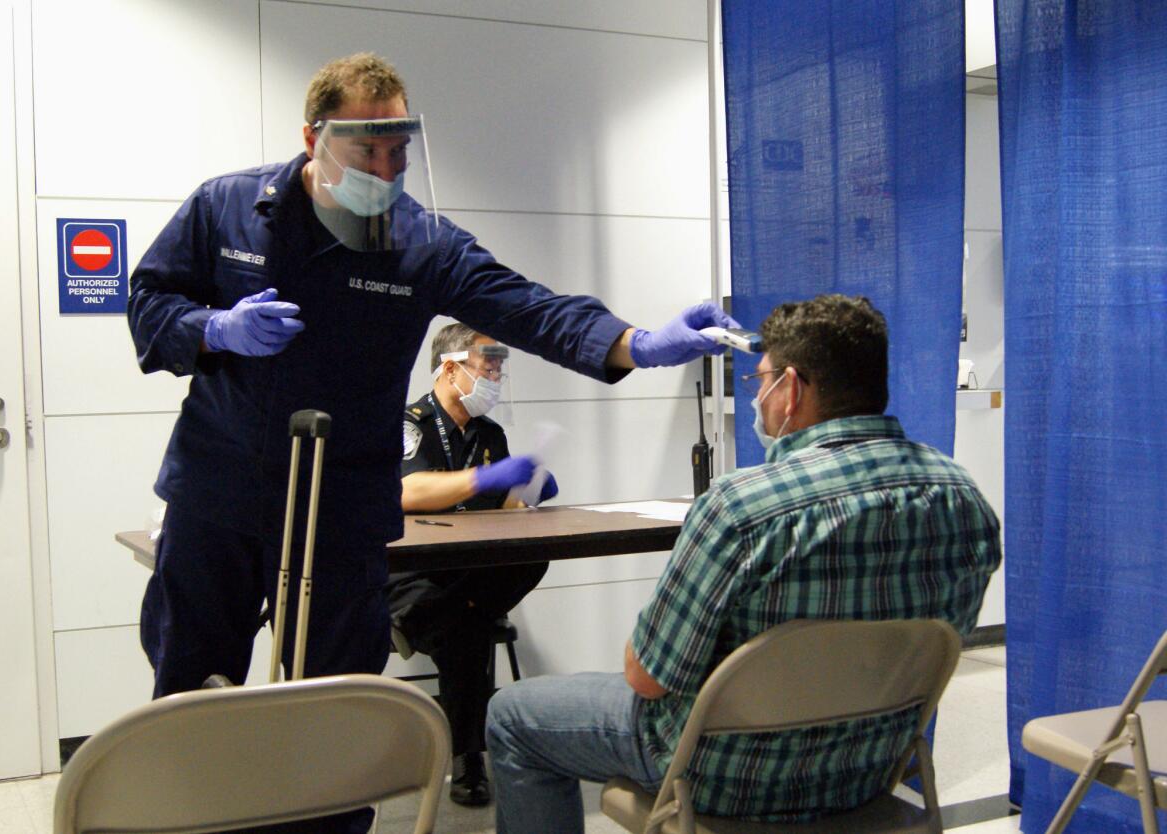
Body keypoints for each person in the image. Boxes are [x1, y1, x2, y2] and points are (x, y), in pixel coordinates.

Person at [128, 50, 731, 720]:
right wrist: (214, 329)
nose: (385, 175)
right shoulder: (229, 207)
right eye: (366, 156)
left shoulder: (419, 242)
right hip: (221, 490)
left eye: (399, 154)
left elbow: (527, 307)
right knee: (187, 691)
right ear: (312, 140)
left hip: (343, 506)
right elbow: (150, 302)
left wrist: (635, 343)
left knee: (336, 709)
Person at [485, 294, 1003, 833]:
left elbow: (646, 679)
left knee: (513, 714)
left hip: (724, 776)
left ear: (792, 388)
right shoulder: (963, 497)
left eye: (760, 382)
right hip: (866, 769)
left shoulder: (742, 507)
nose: (758, 397)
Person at [387, 322, 553, 807]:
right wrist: (485, 477)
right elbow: (406, 492)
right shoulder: (407, 422)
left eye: (501, 366)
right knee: (466, 627)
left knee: (530, 556)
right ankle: (469, 759)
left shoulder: (488, 433)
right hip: (412, 571)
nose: (497, 376)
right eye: (489, 365)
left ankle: (417, 621)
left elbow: (502, 518)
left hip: (464, 576)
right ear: (452, 367)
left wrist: (527, 493)